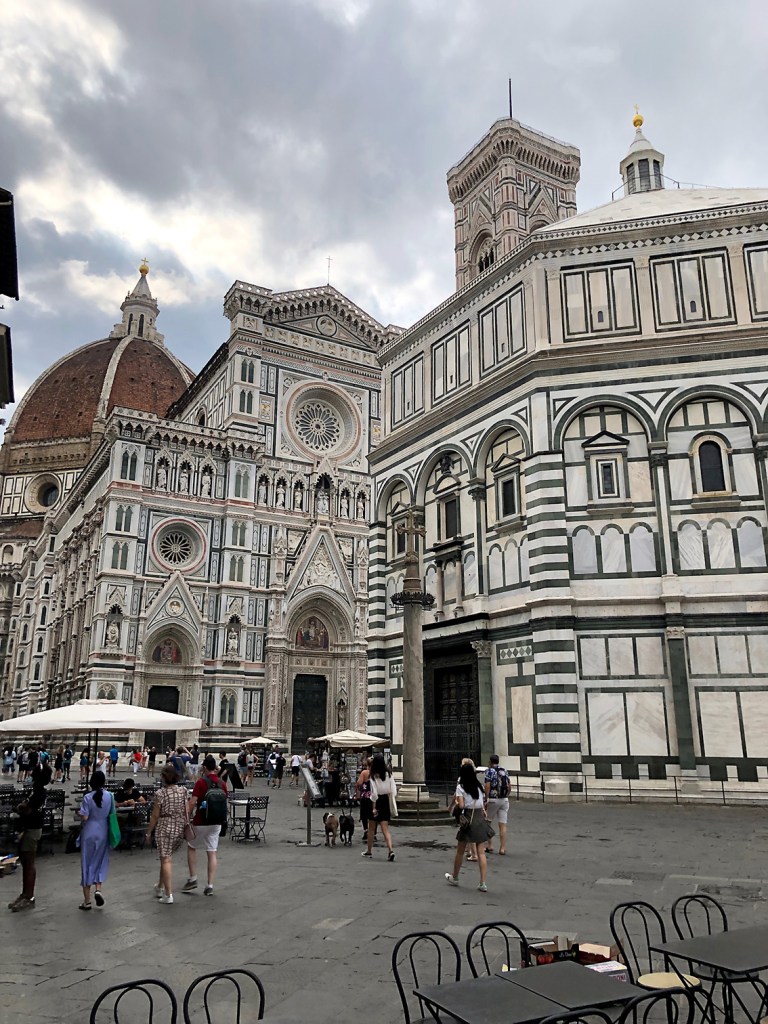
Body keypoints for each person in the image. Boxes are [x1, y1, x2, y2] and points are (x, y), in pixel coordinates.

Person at [8, 762, 51, 912]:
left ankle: (29, 897)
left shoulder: (39, 792)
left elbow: (26, 809)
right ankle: (24, 894)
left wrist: (21, 807)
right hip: (28, 828)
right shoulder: (36, 791)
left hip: (32, 829)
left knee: (29, 862)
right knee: (25, 863)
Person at [182, 755, 224, 897]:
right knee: (212, 852)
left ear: (205, 768)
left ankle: (193, 878)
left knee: (192, 846)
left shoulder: (201, 782)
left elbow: (193, 802)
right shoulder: (221, 783)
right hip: (216, 822)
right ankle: (210, 885)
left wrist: (186, 815)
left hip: (201, 821)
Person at [145, 763, 187, 905]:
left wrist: (149, 832)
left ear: (163, 778)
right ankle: (159, 887)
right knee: (166, 858)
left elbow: (155, 815)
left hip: (165, 827)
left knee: (166, 859)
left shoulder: (161, 793)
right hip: (179, 826)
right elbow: (186, 809)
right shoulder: (183, 791)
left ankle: (168, 894)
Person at [445, 761, 490, 892]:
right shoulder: (479, 787)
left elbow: (461, 806)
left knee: (460, 850)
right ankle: (482, 883)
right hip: (479, 818)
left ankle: (455, 876)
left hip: (468, 819)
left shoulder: (461, 787)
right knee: (481, 852)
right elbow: (482, 804)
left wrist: (459, 801)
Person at [78, 770, 113, 910]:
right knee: (100, 860)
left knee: (87, 863)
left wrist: (80, 814)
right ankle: (98, 889)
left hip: (89, 831)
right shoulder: (110, 796)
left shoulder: (87, 797)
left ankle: (87, 901)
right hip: (103, 830)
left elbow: (85, 817)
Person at [363, 753, 396, 861]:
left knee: (371, 828)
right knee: (385, 828)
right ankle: (390, 850)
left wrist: (373, 807)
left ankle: (369, 851)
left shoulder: (373, 775)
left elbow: (374, 794)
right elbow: (393, 790)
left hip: (376, 802)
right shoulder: (389, 774)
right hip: (385, 800)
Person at [483, 754, 510, 856]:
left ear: (490, 761)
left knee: (487, 822)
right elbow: (509, 785)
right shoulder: (504, 770)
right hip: (504, 799)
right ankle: (502, 848)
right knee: (502, 824)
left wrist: (486, 798)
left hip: (493, 799)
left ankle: (489, 845)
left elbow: (487, 786)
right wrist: (506, 795)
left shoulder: (489, 771)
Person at [355, 757, 376, 845]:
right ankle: (373, 833)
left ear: (367, 764)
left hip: (365, 796)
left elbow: (359, 783)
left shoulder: (364, 773)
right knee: (373, 815)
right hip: (374, 796)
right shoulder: (376, 773)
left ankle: (366, 831)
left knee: (364, 814)